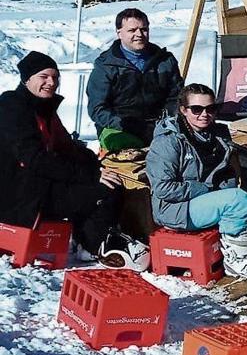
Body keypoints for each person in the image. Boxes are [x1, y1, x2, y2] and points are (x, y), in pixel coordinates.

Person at [0, 52, 148, 269]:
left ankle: (91, 241)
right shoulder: (12, 107)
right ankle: (95, 245)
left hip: (39, 186)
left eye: (55, 77)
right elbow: (35, 159)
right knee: (102, 191)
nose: (51, 83)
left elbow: (67, 148)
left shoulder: (43, 108)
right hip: (17, 195)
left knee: (108, 183)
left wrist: (98, 166)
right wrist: (92, 176)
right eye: (44, 77)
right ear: (26, 79)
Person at [145, 84, 247, 280]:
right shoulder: (168, 142)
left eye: (210, 109)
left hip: (209, 199)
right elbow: (164, 188)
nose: (204, 114)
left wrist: (223, 189)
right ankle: (238, 260)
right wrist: (204, 190)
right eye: (196, 109)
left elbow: (226, 173)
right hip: (176, 209)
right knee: (237, 200)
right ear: (183, 110)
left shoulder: (218, 134)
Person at [86, 8, 183, 152]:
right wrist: (124, 124)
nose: (139, 34)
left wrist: (168, 120)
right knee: (122, 146)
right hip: (120, 127)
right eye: (132, 30)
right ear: (119, 33)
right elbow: (97, 108)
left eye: (144, 29)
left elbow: (176, 96)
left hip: (158, 125)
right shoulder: (106, 65)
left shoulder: (164, 60)